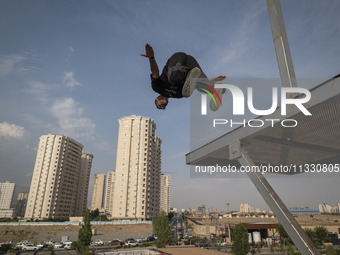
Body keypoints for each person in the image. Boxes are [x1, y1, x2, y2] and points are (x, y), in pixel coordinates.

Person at [141, 43, 226, 110]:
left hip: (177, 61)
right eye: (163, 108)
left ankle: (187, 73)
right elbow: (196, 84)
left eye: (159, 106)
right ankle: (216, 88)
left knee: (174, 79)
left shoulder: (157, 87)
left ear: (157, 100)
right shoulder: (178, 95)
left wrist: (151, 58)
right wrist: (212, 79)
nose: (162, 107)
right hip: (190, 63)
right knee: (199, 87)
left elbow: (155, 72)